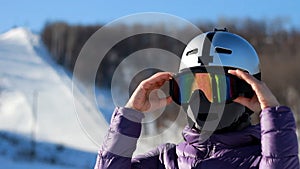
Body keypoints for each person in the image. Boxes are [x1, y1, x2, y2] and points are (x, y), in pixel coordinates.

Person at [94, 29, 299, 169]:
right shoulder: (166, 161)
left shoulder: (259, 161)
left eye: (214, 87)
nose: (199, 99)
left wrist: (272, 113)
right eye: (189, 87)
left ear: (248, 91)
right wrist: (131, 113)